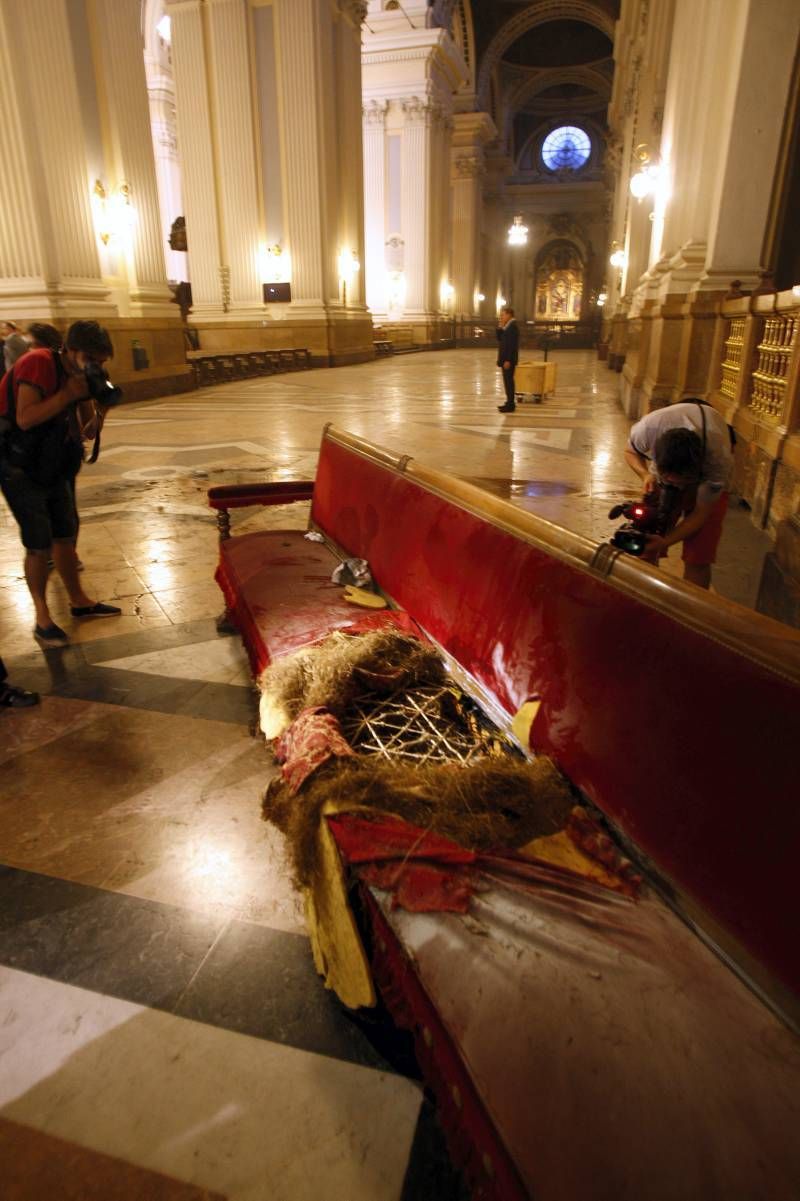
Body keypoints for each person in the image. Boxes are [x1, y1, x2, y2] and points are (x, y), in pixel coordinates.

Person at [0, 320, 121, 646]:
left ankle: (79, 601)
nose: (97, 366)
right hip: (19, 465)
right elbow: (25, 418)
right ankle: (42, 617)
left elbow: (87, 431)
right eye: (93, 358)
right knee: (39, 543)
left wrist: (100, 406)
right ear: (73, 350)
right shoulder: (38, 362)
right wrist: (68, 392)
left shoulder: (79, 375)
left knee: (65, 535)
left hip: (55, 463)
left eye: (102, 361)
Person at [624, 399, 733, 590]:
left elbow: (701, 513)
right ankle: (644, 597)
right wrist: (646, 475)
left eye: (681, 482)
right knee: (648, 541)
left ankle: (690, 611)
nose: (676, 487)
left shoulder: (718, 461)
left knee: (699, 556)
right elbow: (630, 451)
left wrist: (666, 541)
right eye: (669, 480)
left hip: (708, 461)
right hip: (669, 462)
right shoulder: (648, 429)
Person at [496, 305, 520, 413]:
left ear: (509, 315)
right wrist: (500, 327)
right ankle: (509, 402)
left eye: (503, 315)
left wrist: (508, 360)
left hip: (508, 360)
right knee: (507, 381)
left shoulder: (513, 327)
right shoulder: (507, 326)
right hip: (505, 359)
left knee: (509, 382)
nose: (501, 317)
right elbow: (500, 339)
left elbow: (511, 345)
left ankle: (511, 405)